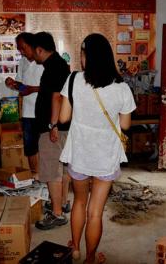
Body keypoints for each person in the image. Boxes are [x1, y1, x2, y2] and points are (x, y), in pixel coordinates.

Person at [59, 33, 136, 264]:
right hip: (106, 155)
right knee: (95, 211)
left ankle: (75, 249)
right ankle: (90, 258)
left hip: (80, 152)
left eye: (82, 54)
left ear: (86, 57)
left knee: (79, 202)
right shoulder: (121, 87)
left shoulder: (73, 80)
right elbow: (125, 125)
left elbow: (63, 118)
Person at [32, 32, 71, 230]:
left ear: (40, 49)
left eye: (33, 51)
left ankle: (57, 214)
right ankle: (62, 203)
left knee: (51, 170)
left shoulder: (54, 66)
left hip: (53, 128)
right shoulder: (58, 64)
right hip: (59, 127)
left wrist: (52, 125)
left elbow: (56, 97)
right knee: (61, 168)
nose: (32, 55)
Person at [5, 32, 43, 178]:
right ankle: (36, 176)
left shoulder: (44, 61)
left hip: (44, 111)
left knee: (45, 147)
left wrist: (32, 89)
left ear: (32, 45)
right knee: (30, 146)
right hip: (28, 112)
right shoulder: (22, 62)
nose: (21, 51)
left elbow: (52, 87)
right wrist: (12, 84)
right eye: (19, 49)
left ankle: (47, 177)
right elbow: (21, 85)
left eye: (23, 48)